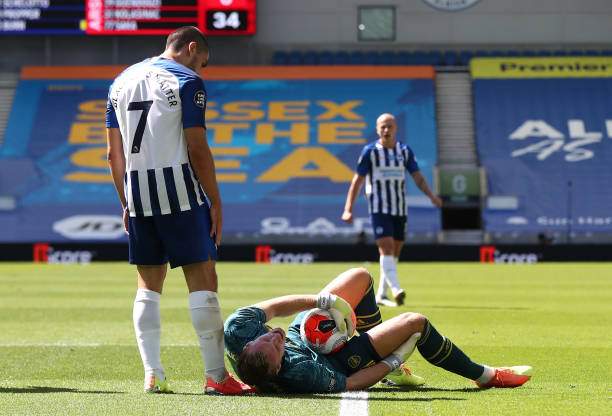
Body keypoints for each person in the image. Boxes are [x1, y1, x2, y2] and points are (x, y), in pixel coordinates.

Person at [105, 26, 252, 395]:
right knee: (203, 279)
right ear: (190, 49)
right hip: (180, 194)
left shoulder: (120, 82)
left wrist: (126, 201)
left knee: (147, 287)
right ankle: (217, 378)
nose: (201, 70)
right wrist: (216, 201)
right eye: (201, 62)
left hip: (138, 196)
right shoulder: (187, 81)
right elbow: (197, 146)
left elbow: (113, 154)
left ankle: (153, 374)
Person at [224, 267, 532, 393]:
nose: (273, 336)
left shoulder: (237, 330)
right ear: (279, 366)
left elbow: (276, 308)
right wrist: (393, 359)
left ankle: (393, 371)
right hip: (338, 361)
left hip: (304, 331)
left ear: (245, 348)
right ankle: (486, 376)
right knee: (416, 323)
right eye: (276, 348)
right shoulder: (302, 373)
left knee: (360, 276)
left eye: (264, 338)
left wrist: (324, 300)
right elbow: (352, 383)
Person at [342, 113, 443, 307]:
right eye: (382, 127)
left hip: (399, 208)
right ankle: (396, 289)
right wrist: (348, 208)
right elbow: (358, 181)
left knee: (393, 253)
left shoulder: (404, 151)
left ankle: (381, 294)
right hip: (379, 208)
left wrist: (431, 196)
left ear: (395, 128)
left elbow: (417, 177)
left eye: (389, 126)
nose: (386, 130)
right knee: (386, 247)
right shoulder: (370, 152)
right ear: (378, 129)